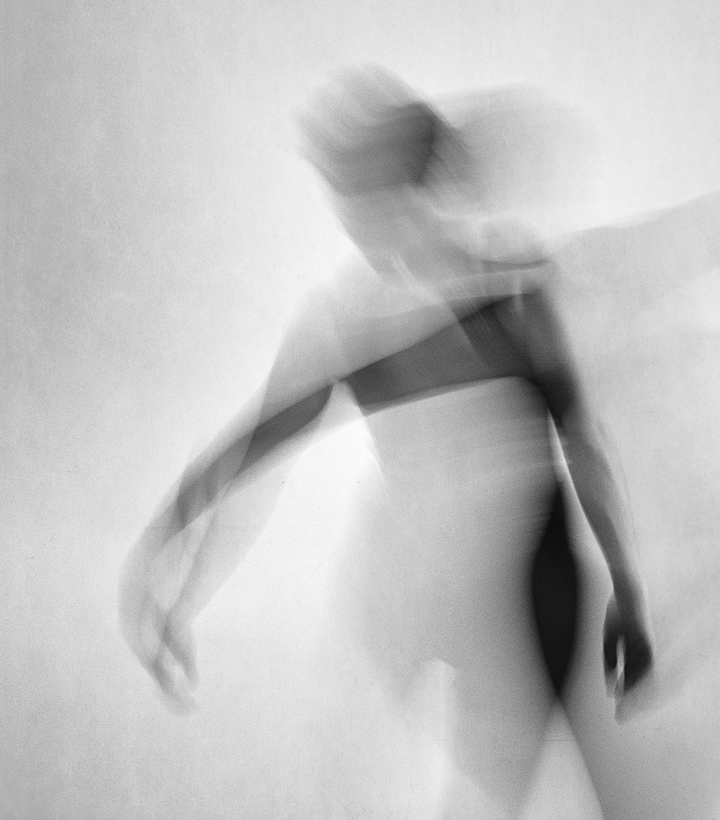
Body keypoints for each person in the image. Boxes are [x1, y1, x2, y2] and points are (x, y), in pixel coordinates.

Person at [118, 67, 656, 819]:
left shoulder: (507, 290)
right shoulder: (353, 318)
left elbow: (581, 441)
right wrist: (167, 569)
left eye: (361, 198)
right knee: (385, 765)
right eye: (345, 202)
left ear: (408, 190)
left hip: (531, 581)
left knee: (499, 788)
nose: (353, 222)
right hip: (433, 573)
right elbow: (254, 454)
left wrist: (629, 592)